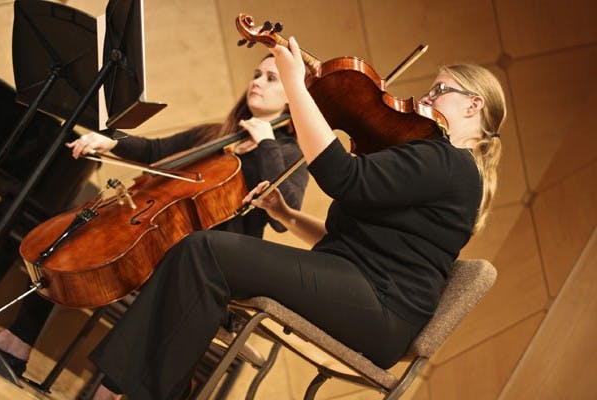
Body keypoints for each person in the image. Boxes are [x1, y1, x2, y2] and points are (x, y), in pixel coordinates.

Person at [88, 36, 506, 400]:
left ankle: (131, 390)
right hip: (361, 289)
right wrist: (285, 214)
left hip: (381, 308)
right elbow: (354, 242)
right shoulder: (437, 161)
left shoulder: (450, 162)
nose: (424, 99)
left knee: (205, 253)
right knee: (201, 256)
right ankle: (154, 390)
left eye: (438, 91)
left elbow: (342, 176)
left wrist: (294, 81)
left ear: (473, 105)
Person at [0, 54, 308, 384]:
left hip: (205, 261)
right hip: (159, 232)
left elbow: (282, 214)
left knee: (165, 287)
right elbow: (154, 150)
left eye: (272, 78)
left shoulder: (289, 156)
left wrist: (267, 143)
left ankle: (107, 391)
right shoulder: (218, 134)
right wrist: (113, 139)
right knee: (74, 239)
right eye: (257, 73)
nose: (257, 81)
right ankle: (17, 345)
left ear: (292, 97)